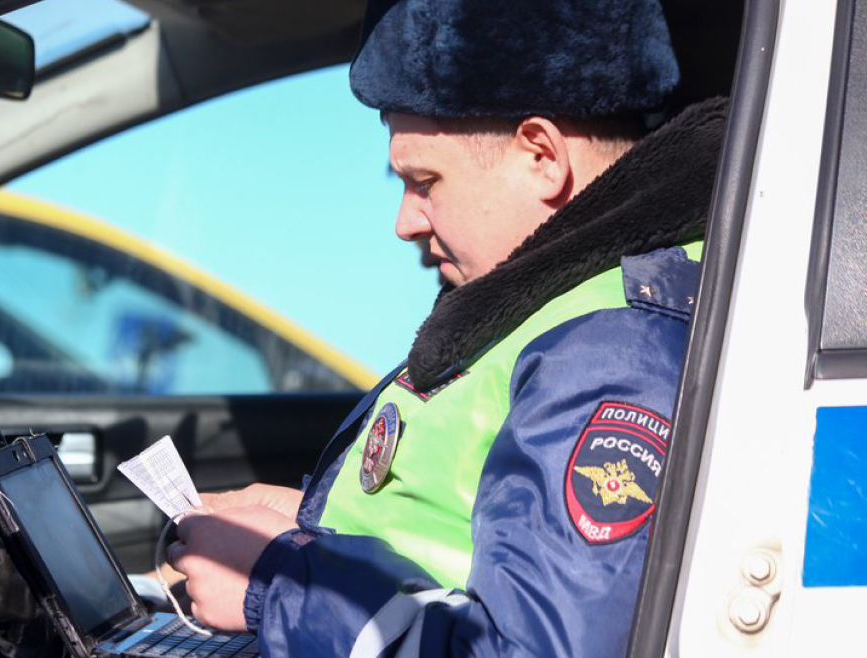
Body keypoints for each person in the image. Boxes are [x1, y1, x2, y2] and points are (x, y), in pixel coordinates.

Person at [166, 0, 727, 655]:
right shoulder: (545, 312)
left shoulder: (611, 355)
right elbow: (459, 543)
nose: (405, 221)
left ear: (542, 156)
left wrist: (278, 580)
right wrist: (311, 529)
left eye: (424, 181)